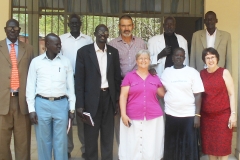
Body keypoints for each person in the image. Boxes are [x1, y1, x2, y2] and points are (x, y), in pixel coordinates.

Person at [26, 33, 76, 160]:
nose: (60, 46)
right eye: (56, 44)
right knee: (43, 141)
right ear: (47, 45)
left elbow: (71, 88)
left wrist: (72, 108)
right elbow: (30, 87)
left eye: (60, 43)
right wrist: (31, 109)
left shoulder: (66, 62)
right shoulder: (36, 62)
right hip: (41, 104)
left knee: (61, 142)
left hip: (61, 104)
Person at [75, 24, 121, 160]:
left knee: (108, 136)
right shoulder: (83, 52)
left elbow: (116, 77)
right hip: (91, 100)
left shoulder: (113, 52)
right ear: (94, 33)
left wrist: (116, 100)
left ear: (108, 35)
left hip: (108, 98)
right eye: (100, 31)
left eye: (105, 32)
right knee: (91, 137)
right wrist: (80, 104)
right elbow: (79, 80)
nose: (103, 34)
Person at [119, 49, 165, 160]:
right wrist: (123, 114)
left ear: (149, 61)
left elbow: (162, 94)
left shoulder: (154, 77)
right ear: (136, 61)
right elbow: (123, 96)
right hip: (132, 116)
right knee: (133, 145)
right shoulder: (129, 76)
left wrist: (159, 79)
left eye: (146, 58)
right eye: (141, 58)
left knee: (150, 144)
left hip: (153, 117)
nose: (143, 60)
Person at [108, 14, 147, 146]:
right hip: (120, 85)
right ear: (119, 26)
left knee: (137, 117)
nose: (126, 28)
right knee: (120, 118)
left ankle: (136, 149)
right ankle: (122, 151)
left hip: (138, 86)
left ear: (133, 26)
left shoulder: (141, 43)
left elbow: (144, 63)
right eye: (123, 25)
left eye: (129, 25)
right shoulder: (112, 44)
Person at [161, 47, 204, 160]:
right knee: (172, 145)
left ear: (184, 58)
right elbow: (161, 89)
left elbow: (198, 94)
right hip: (171, 114)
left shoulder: (192, 72)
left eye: (181, 56)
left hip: (189, 115)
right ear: (172, 57)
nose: (179, 57)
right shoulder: (166, 72)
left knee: (189, 145)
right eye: (176, 55)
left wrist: (197, 115)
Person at [60, 13, 93, 158]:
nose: (74, 25)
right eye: (72, 23)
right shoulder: (61, 39)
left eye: (76, 23)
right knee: (67, 115)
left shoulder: (88, 40)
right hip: (65, 82)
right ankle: (67, 149)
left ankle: (85, 149)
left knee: (81, 114)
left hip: (83, 82)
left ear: (81, 24)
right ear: (68, 25)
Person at [0, 19, 34, 160]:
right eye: (10, 28)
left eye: (15, 28)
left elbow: (33, 75)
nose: (12, 30)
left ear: (19, 30)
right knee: (2, 144)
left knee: (23, 142)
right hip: (2, 103)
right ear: (5, 29)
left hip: (22, 102)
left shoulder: (29, 49)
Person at [200, 47, 236, 160]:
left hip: (222, 117)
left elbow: (231, 94)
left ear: (217, 58)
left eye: (212, 57)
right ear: (204, 60)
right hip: (207, 118)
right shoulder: (201, 74)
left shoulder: (224, 72)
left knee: (222, 148)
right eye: (207, 58)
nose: (210, 60)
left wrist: (233, 114)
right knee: (210, 148)